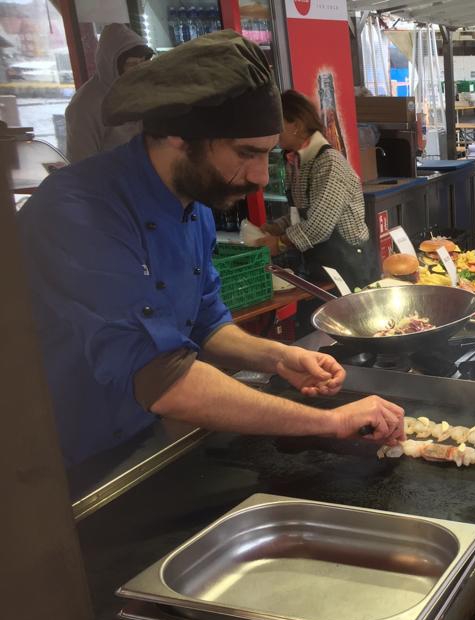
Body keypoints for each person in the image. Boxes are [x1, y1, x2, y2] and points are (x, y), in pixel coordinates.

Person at [17, 31, 405, 467]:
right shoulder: (78, 212)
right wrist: (330, 421)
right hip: (58, 462)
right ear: (178, 136)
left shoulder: (194, 205)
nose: (261, 177)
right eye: (246, 153)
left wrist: (279, 357)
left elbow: (205, 322)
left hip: (141, 438)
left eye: (267, 155)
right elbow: (162, 379)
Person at [257, 90, 378, 289]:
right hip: (320, 264)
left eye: (277, 123)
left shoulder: (328, 162)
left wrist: (279, 243)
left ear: (296, 125)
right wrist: (276, 226)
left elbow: (319, 225)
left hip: (349, 265)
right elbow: (302, 213)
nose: (272, 130)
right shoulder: (297, 162)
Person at [64, 24, 153, 163]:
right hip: (109, 175)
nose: (139, 70)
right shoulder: (85, 105)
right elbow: (81, 162)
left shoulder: (140, 92)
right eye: (132, 64)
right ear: (112, 65)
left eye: (143, 63)